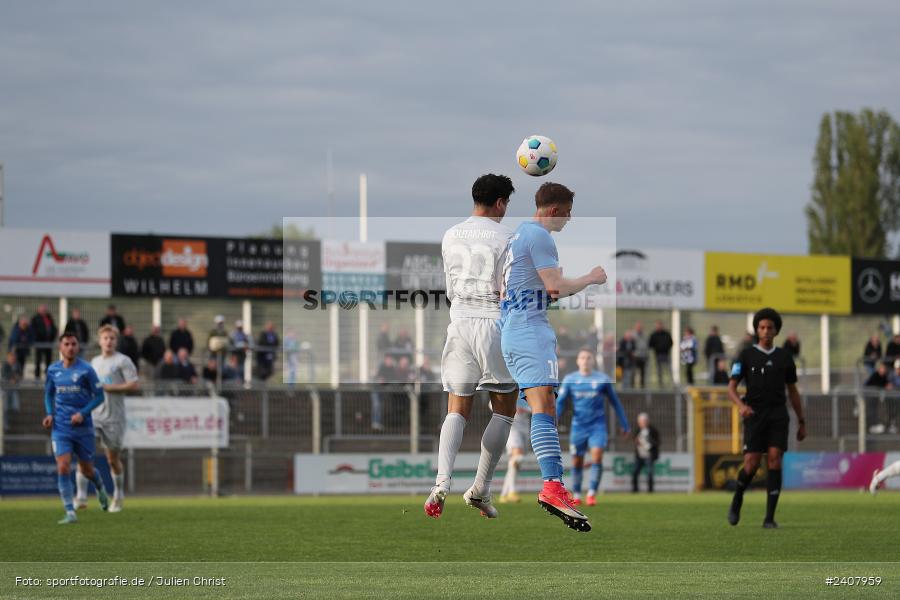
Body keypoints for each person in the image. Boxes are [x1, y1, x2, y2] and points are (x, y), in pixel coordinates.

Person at [498, 181, 606, 532]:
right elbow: (556, 287)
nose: (569, 219)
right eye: (568, 212)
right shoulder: (541, 236)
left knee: (544, 405)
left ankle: (549, 484)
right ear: (555, 210)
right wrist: (590, 278)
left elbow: (531, 291)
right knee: (543, 405)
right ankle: (552, 487)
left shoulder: (515, 237)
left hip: (513, 330)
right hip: (530, 332)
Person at [424, 173, 519, 521]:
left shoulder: (450, 234)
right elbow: (509, 287)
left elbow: (449, 287)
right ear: (499, 202)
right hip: (493, 322)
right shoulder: (509, 236)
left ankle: (441, 482)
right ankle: (480, 488)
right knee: (505, 407)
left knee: (457, 408)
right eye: (506, 203)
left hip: (459, 321)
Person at [727, 307, 806, 529]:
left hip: (778, 415)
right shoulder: (746, 355)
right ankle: (738, 497)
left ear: (776, 330)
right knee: (751, 465)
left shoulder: (785, 357)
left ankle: (769, 518)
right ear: (757, 330)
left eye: (770, 328)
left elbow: (793, 391)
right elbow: (731, 389)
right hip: (754, 415)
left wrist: (802, 421)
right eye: (762, 327)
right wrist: (741, 406)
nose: (766, 331)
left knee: (774, 458)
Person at [42, 333, 109, 524]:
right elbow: (48, 394)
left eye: (74, 344)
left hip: (83, 428)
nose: (70, 347)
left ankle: (99, 486)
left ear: (78, 347)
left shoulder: (87, 370)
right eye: (66, 344)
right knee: (62, 467)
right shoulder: (53, 370)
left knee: (87, 471)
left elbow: (99, 396)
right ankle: (70, 511)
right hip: (61, 427)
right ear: (60, 347)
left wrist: (83, 413)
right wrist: (49, 413)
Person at [76, 325, 138, 513]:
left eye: (112, 338)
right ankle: (81, 497)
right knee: (83, 453)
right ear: (100, 341)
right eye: (105, 338)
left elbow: (134, 385)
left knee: (112, 460)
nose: (108, 341)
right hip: (94, 416)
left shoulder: (123, 361)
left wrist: (110, 388)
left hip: (114, 418)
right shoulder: (93, 362)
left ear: (116, 341)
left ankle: (118, 495)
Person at [556, 347, 629, 506]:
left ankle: (591, 493)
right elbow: (560, 404)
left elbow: (615, 403)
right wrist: (553, 420)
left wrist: (624, 424)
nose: (585, 360)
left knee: (597, 457)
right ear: (577, 361)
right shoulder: (570, 380)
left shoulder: (602, 379)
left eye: (588, 357)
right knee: (577, 461)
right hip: (578, 426)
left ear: (593, 360)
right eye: (582, 357)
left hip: (597, 426)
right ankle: (576, 494)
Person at [498, 399, 531, 504]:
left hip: (525, 428)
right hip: (512, 427)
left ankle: (504, 494)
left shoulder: (527, 389)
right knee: (518, 457)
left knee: (515, 463)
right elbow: (492, 404)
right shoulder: (510, 385)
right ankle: (512, 491)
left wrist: (527, 409)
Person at [632, 412, 660, 493]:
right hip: (639, 456)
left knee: (649, 473)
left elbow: (657, 442)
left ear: (648, 421)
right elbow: (634, 439)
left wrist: (649, 444)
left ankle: (650, 491)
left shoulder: (653, 430)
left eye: (644, 421)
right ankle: (635, 490)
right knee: (635, 472)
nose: (643, 423)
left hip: (649, 455)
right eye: (641, 421)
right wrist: (637, 442)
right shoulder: (637, 430)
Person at [31, 304, 58, 379]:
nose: (44, 311)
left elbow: (53, 328)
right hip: (39, 343)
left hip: (48, 343)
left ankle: (48, 376)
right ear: (39, 310)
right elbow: (33, 330)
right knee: (38, 360)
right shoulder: (35, 318)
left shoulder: (49, 317)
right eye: (42, 309)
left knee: (48, 361)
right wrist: (36, 338)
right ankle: (37, 377)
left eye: (44, 309)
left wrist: (53, 337)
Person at [2, 350, 23, 431]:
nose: (13, 359)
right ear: (8, 358)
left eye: (14, 358)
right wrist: (12, 378)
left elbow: (19, 375)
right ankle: (5, 424)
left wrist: (15, 378)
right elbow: (5, 375)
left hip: (14, 390)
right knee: (5, 408)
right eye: (11, 358)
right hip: (5, 390)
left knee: (15, 407)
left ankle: (11, 419)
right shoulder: (5, 365)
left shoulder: (17, 365)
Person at [648, 320, 673, 386]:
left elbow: (671, 342)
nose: (659, 327)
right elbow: (650, 344)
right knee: (659, 370)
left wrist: (666, 347)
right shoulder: (654, 334)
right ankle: (661, 384)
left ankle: (672, 383)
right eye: (657, 325)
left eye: (660, 325)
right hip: (658, 354)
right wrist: (657, 348)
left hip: (666, 354)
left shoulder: (667, 334)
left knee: (669, 370)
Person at [632, 321, 649, 388]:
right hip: (635, 356)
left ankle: (642, 387)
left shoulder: (645, 335)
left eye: (640, 327)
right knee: (634, 372)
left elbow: (646, 345)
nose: (639, 328)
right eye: (638, 327)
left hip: (643, 356)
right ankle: (632, 387)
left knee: (643, 373)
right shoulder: (633, 335)